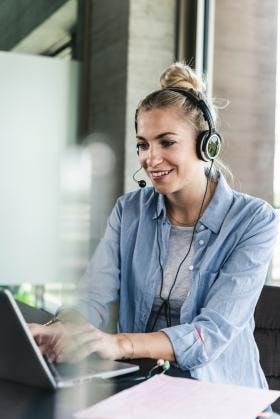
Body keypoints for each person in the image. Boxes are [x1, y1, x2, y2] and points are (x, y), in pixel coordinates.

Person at [30, 62, 278, 391]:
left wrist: (120, 344)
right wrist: (64, 327)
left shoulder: (254, 220)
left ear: (207, 146)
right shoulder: (128, 211)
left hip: (222, 393)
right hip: (142, 387)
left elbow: (210, 334)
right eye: (143, 144)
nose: (150, 158)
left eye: (166, 142)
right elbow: (94, 294)